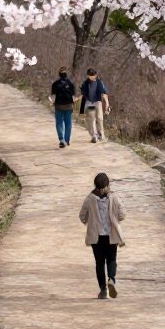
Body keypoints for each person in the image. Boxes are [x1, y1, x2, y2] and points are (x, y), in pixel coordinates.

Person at [79, 171, 125, 299]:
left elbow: (82, 216)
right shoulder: (114, 197)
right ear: (107, 184)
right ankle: (111, 279)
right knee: (111, 258)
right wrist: (116, 219)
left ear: (95, 185)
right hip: (111, 234)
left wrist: (88, 220)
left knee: (99, 263)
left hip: (96, 236)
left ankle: (103, 291)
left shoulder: (89, 198)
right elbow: (122, 214)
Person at [79, 67, 110, 143]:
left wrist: (107, 105)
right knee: (92, 119)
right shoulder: (85, 83)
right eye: (90, 76)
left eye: (94, 76)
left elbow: (104, 94)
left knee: (100, 118)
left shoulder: (99, 82)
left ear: (96, 75)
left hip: (97, 102)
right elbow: (82, 95)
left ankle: (102, 135)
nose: (92, 77)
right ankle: (94, 136)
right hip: (89, 102)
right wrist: (81, 110)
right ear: (88, 76)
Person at [49, 68, 76, 148]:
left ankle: (61, 139)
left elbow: (53, 96)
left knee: (59, 123)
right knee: (68, 123)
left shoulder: (55, 84)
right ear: (66, 75)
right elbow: (73, 96)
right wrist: (73, 103)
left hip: (58, 106)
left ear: (59, 74)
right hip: (68, 106)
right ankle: (66, 140)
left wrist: (52, 102)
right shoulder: (71, 84)